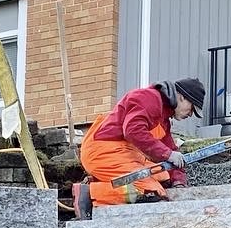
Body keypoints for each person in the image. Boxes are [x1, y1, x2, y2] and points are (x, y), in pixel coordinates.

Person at [73, 76, 207, 214]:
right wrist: (167, 154)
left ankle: (104, 184)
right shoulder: (149, 98)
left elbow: (169, 150)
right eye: (192, 108)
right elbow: (133, 131)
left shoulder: (163, 119)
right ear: (181, 97)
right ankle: (89, 194)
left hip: (122, 152)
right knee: (149, 191)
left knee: (164, 177)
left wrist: (178, 181)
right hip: (102, 150)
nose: (191, 114)